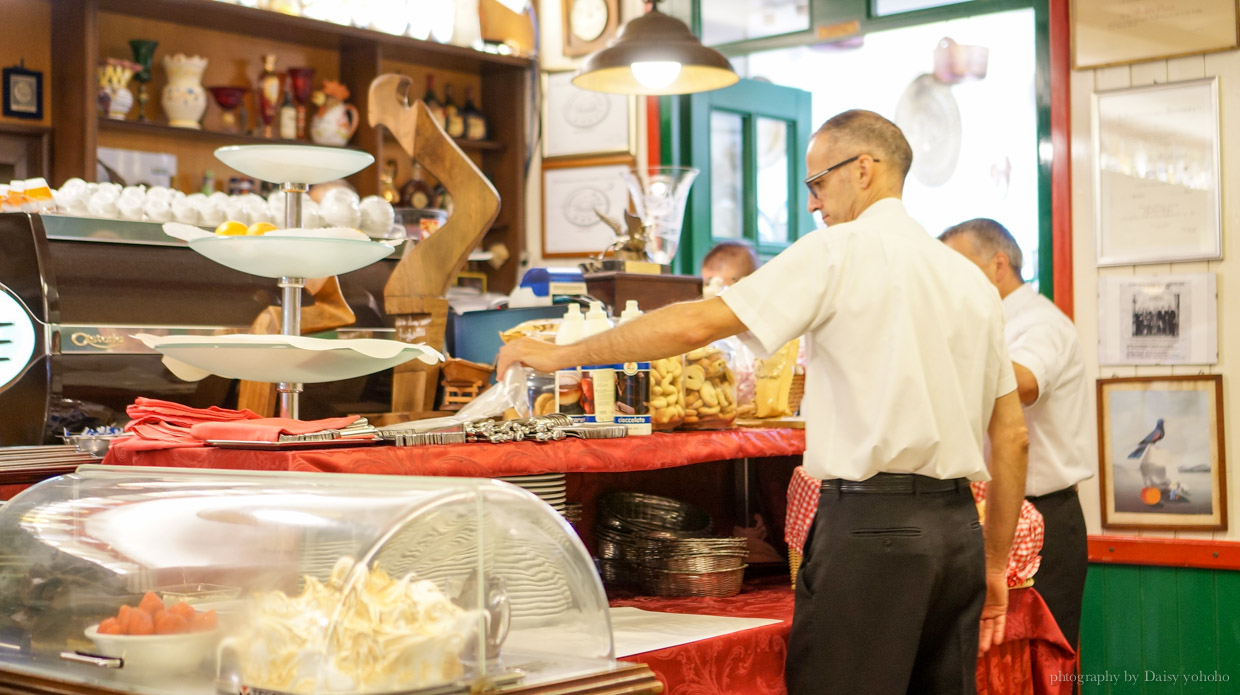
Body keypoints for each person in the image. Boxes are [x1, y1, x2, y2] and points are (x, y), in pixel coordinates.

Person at [499, 109, 1028, 694]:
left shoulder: (838, 251)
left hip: (872, 533)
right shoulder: (972, 283)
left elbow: (693, 325)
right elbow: (1012, 436)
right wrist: (996, 562)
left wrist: (563, 352)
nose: (813, 204)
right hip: (956, 534)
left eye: (818, 183)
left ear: (864, 170)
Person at [940, 218, 1092, 649]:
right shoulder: (981, 324)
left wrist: (941, 355)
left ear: (998, 265)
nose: (947, 281)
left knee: (1043, 657)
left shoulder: (1038, 322)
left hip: (1043, 516)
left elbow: (1024, 383)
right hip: (984, 514)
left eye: (956, 266)